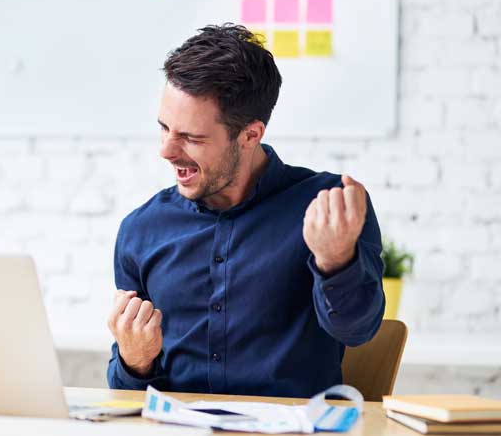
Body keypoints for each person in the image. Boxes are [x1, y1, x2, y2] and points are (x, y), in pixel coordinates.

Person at [106, 24, 385, 397]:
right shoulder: (141, 230)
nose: (167, 150)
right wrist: (135, 360)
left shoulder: (328, 207)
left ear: (251, 135)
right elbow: (125, 392)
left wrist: (336, 260)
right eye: (164, 128)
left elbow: (358, 330)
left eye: (191, 137)